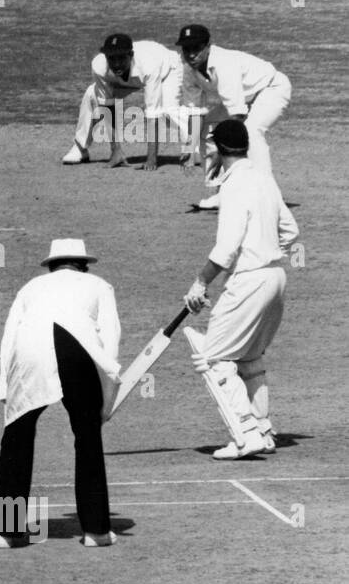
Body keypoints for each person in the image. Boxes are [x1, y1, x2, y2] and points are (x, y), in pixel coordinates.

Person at [0, 239, 121, 549]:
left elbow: (10, 336)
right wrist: (107, 394)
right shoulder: (99, 284)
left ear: (52, 265)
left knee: (17, 435)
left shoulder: (31, 287)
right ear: (82, 264)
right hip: (78, 350)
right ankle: (95, 530)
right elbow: (110, 337)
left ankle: (7, 530)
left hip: (30, 351)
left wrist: (6, 388)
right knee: (88, 437)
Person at [182, 119, 298, 459]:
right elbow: (290, 231)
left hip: (249, 280)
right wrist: (263, 247)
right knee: (249, 357)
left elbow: (227, 247)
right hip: (275, 277)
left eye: (211, 146)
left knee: (213, 357)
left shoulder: (232, 187)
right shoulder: (264, 177)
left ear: (219, 148)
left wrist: (200, 282)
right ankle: (263, 428)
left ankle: (246, 434)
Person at [176, 24, 291, 209]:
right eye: (186, 49)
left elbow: (237, 117)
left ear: (207, 46)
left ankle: (269, 195)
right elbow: (194, 110)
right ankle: (222, 193)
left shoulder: (223, 64)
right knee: (207, 128)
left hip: (271, 88)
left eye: (196, 48)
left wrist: (223, 153)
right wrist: (190, 148)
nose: (191, 54)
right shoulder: (188, 69)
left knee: (251, 131)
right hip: (246, 97)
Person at [63, 33, 185, 169]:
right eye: (112, 59)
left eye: (121, 58)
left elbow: (153, 114)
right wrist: (115, 150)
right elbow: (107, 108)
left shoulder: (149, 65)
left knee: (167, 112)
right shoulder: (99, 66)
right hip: (126, 79)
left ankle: (198, 144)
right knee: (92, 94)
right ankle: (80, 147)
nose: (116, 64)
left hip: (166, 70)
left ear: (131, 55)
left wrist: (151, 159)